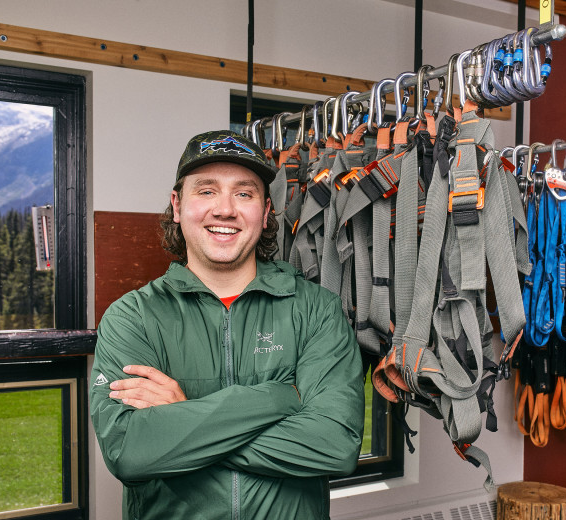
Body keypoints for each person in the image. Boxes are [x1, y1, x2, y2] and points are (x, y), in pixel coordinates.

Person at [89, 130, 365, 520]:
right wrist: (278, 398)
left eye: (244, 193)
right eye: (206, 191)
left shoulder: (316, 310)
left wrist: (183, 418)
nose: (225, 209)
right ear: (177, 203)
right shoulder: (132, 318)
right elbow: (130, 452)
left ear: (266, 211)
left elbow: (335, 446)